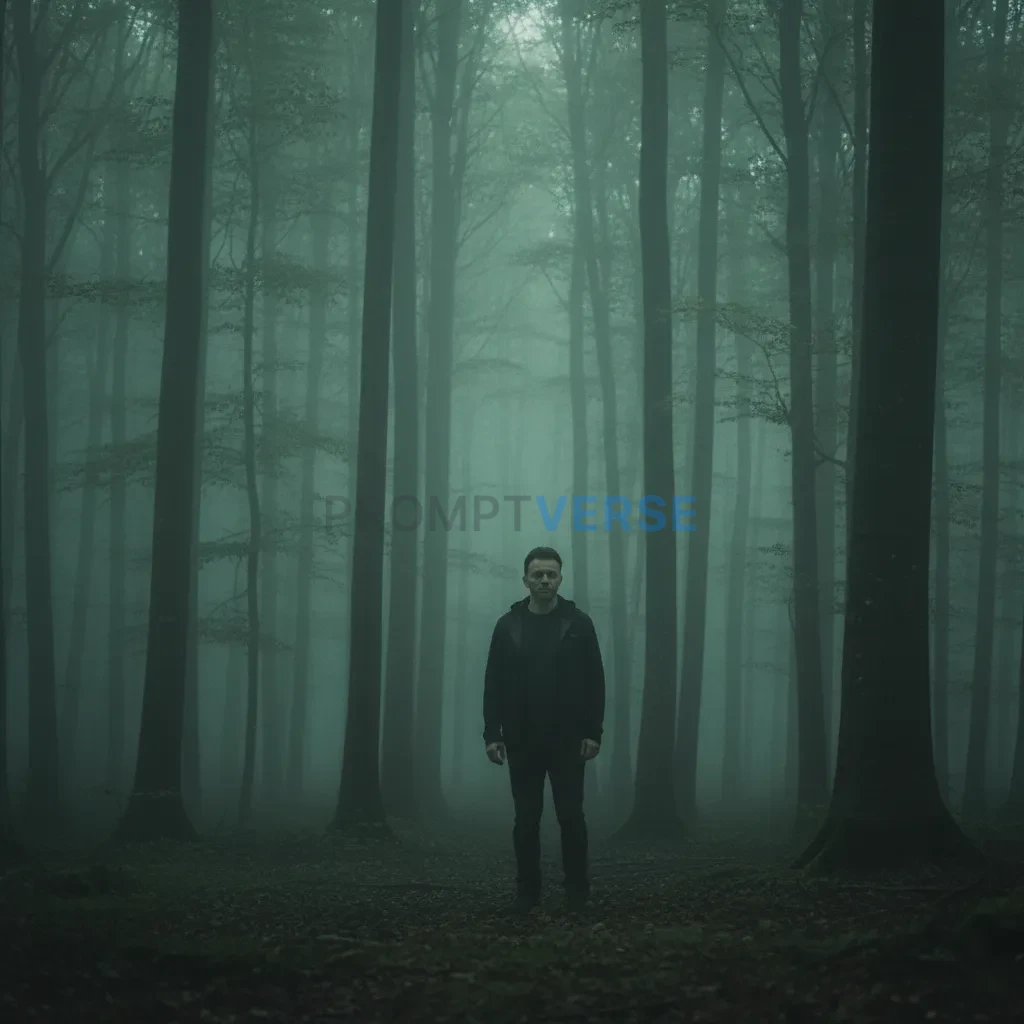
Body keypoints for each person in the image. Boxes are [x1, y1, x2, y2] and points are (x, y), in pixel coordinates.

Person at [482, 546, 606, 913]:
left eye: (551, 574)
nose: (545, 580)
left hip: (568, 740)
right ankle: (528, 891)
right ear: (525, 580)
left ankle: (577, 891)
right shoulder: (508, 626)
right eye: (538, 574)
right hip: (521, 739)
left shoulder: (579, 624)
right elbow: (493, 683)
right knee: (526, 819)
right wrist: (492, 734)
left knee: (571, 817)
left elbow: (595, 681)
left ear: (561, 579)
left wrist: (593, 732)